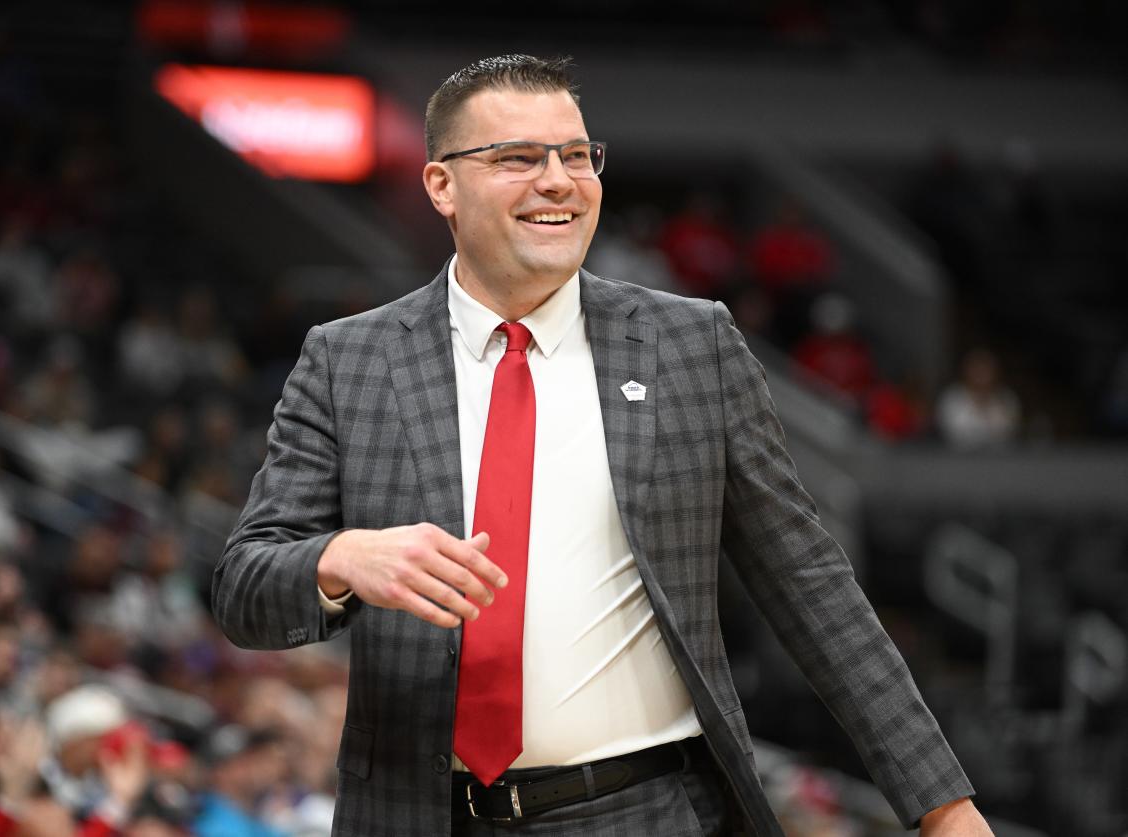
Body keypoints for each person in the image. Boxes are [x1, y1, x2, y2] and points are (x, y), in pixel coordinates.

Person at [213, 55, 991, 836]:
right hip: (418, 814)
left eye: (577, 155)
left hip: (645, 810)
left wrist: (942, 805)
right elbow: (243, 587)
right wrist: (339, 559)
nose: (558, 180)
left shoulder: (693, 346)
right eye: (517, 157)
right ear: (441, 185)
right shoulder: (348, 360)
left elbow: (811, 584)